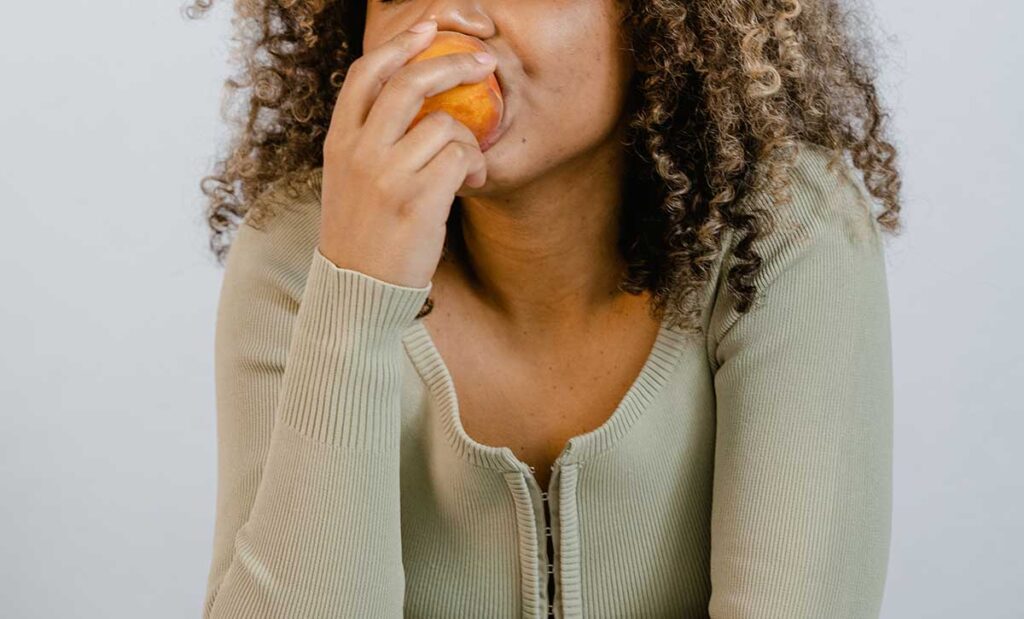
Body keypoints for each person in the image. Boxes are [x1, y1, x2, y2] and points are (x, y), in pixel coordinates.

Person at [189, 0, 903, 617]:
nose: (451, 19)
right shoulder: (300, 254)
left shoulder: (782, 227)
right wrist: (357, 294)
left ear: (657, 19)